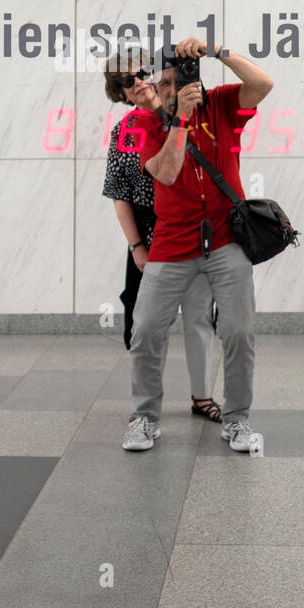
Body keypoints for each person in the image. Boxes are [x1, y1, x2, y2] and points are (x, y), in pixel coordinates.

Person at [122, 36, 274, 453]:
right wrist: (182, 122)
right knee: (147, 330)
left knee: (239, 332)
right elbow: (165, 173)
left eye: (180, 80)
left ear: (196, 79)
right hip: (172, 243)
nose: (172, 91)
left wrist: (217, 51)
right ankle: (146, 418)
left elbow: (263, 84)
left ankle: (238, 420)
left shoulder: (222, 104)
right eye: (165, 83)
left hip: (227, 240)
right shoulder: (146, 123)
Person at [102, 52, 223, 422]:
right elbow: (119, 194)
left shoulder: (189, 112)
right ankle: (146, 408)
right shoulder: (125, 131)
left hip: (194, 231)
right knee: (143, 325)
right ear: (121, 94)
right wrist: (137, 247)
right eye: (127, 81)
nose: (139, 81)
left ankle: (202, 397)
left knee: (200, 317)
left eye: (142, 72)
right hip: (150, 238)